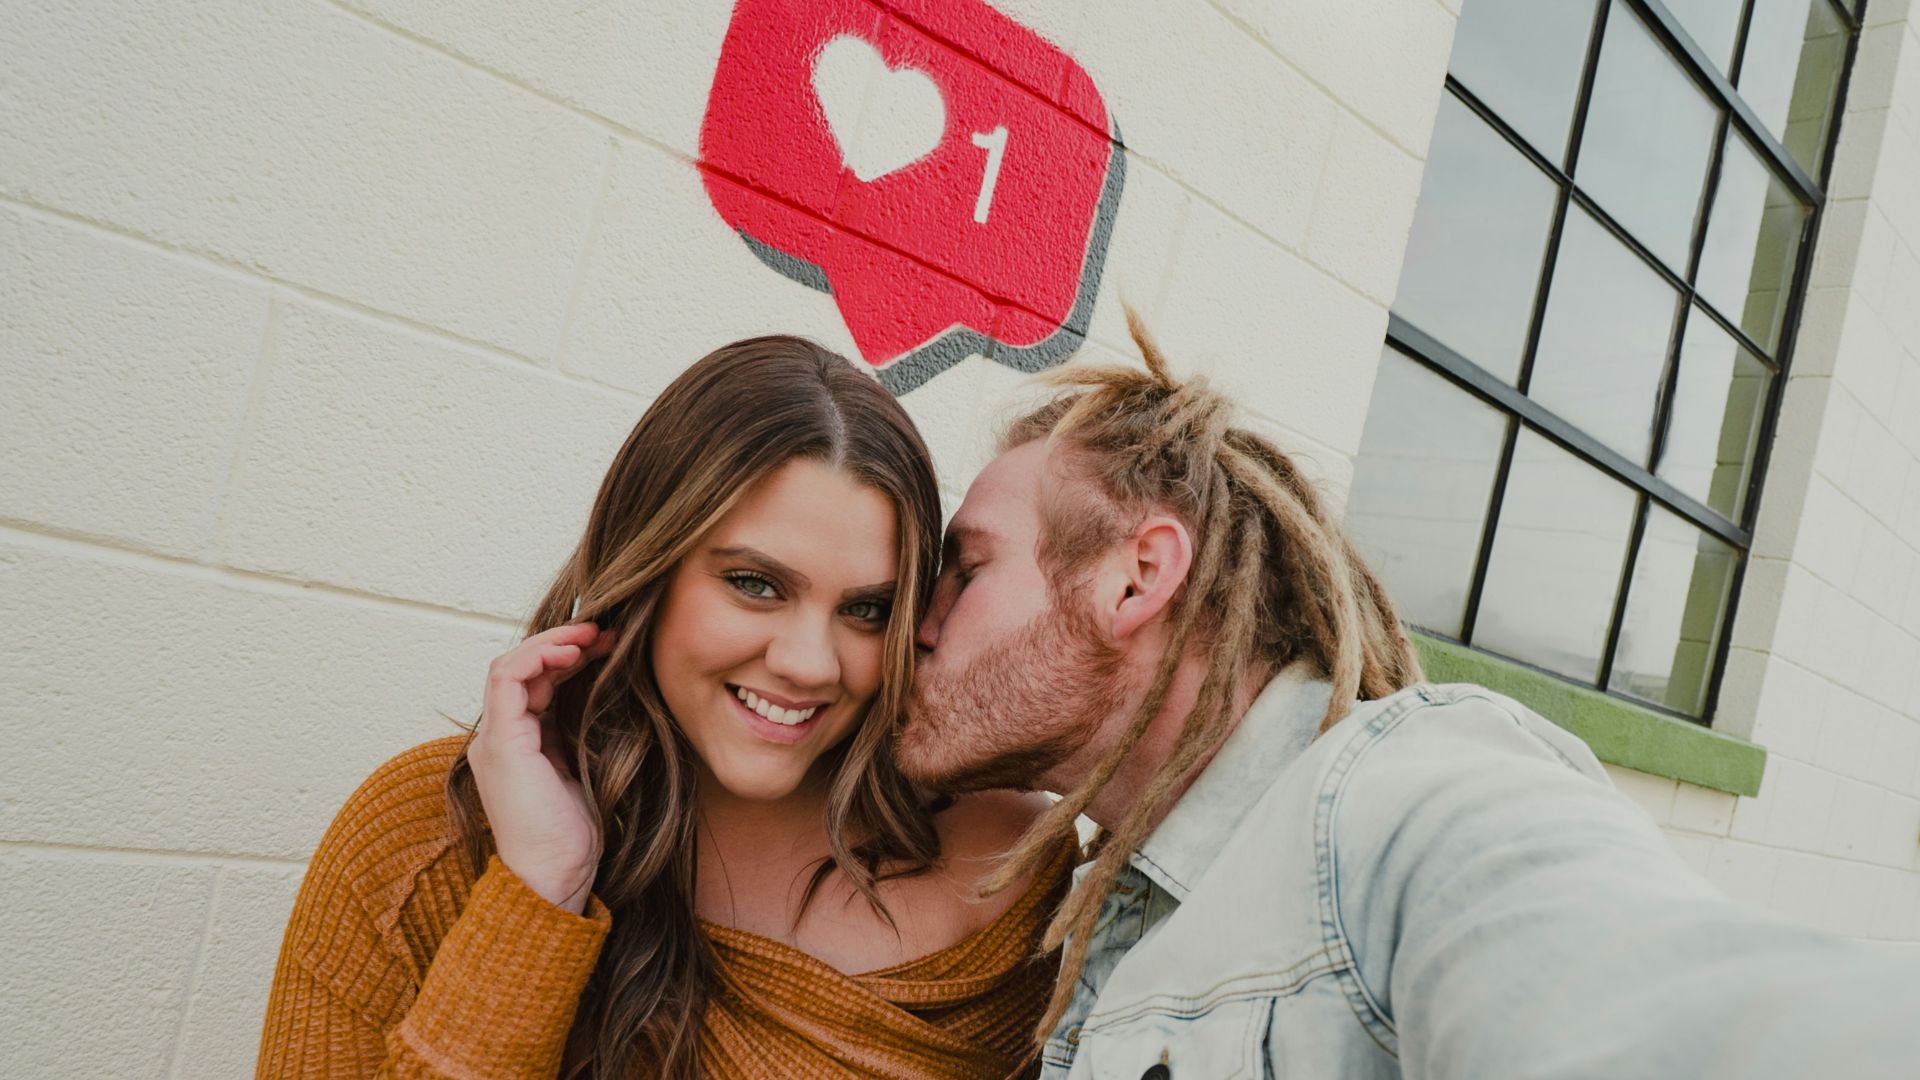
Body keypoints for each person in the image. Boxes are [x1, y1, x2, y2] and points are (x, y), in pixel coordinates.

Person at [894, 311, 1920, 1080]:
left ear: (1136, 576)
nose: (919, 618)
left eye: (970, 567)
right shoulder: (1125, 902)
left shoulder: (1400, 807)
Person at [257, 336, 1072, 1079]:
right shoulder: (425, 837)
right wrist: (541, 893)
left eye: (865, 610)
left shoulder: (1002, 863)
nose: (808, 664)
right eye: (755, 584)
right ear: (650, 570)